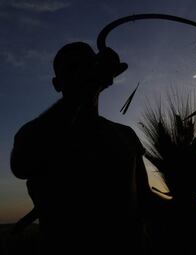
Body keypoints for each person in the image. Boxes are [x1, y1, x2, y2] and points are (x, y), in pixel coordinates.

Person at [10, 42, 153, 254]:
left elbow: (145, 200)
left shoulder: (126, 135)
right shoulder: (36, 134)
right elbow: (21, 164)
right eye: (72, 69)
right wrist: (90, 84)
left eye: (88, 65)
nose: (82, 73)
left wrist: (180, 206)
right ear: (57, 84)